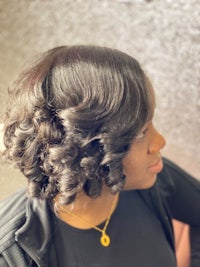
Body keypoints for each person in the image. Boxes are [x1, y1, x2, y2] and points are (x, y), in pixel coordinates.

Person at [0, 45, 199, 267]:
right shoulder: (12, 253)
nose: (160, 141)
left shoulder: (156, 176)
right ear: (86, 146)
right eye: (141, 132)